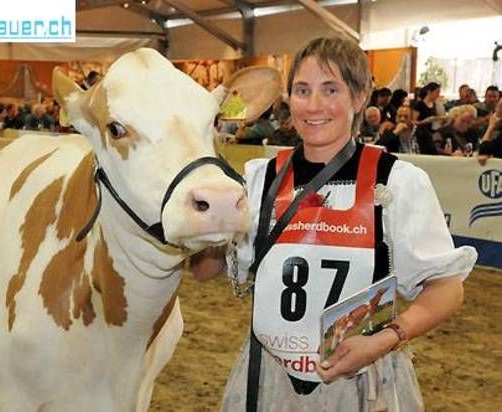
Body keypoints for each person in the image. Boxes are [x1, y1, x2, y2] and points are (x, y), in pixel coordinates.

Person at [191, 36, 476, 411]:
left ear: (359, 98)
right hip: (269, 377)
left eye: (330, 89)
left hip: (363, 381)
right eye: (302, 90)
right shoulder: (262, 179)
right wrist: (204, 213)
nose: (313, 105)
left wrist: (386, 338)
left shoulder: (396, 182)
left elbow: (447, 288)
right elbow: (203, 270)